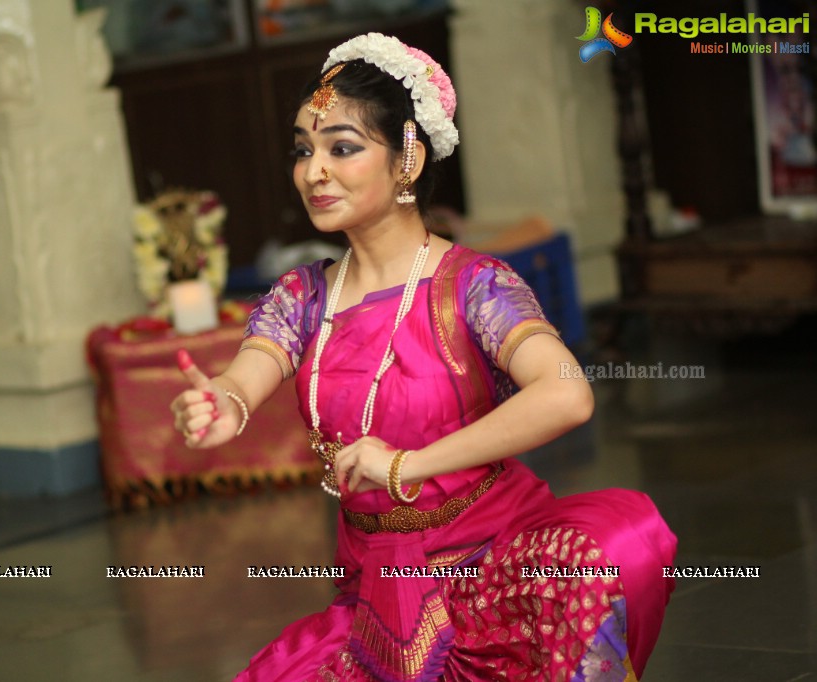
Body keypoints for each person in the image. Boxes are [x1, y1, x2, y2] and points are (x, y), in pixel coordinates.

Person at [170, 32, 676, 681]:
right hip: (378, 584)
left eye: (341, 148)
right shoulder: (302, 296)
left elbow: (567, 393)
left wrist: (409, 464)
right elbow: (247, 374)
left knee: (614, 546)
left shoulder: (472, 286)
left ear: (406, 158)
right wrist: (223, 403)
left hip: (493, 561)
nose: (312, 171)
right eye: (303, 150)